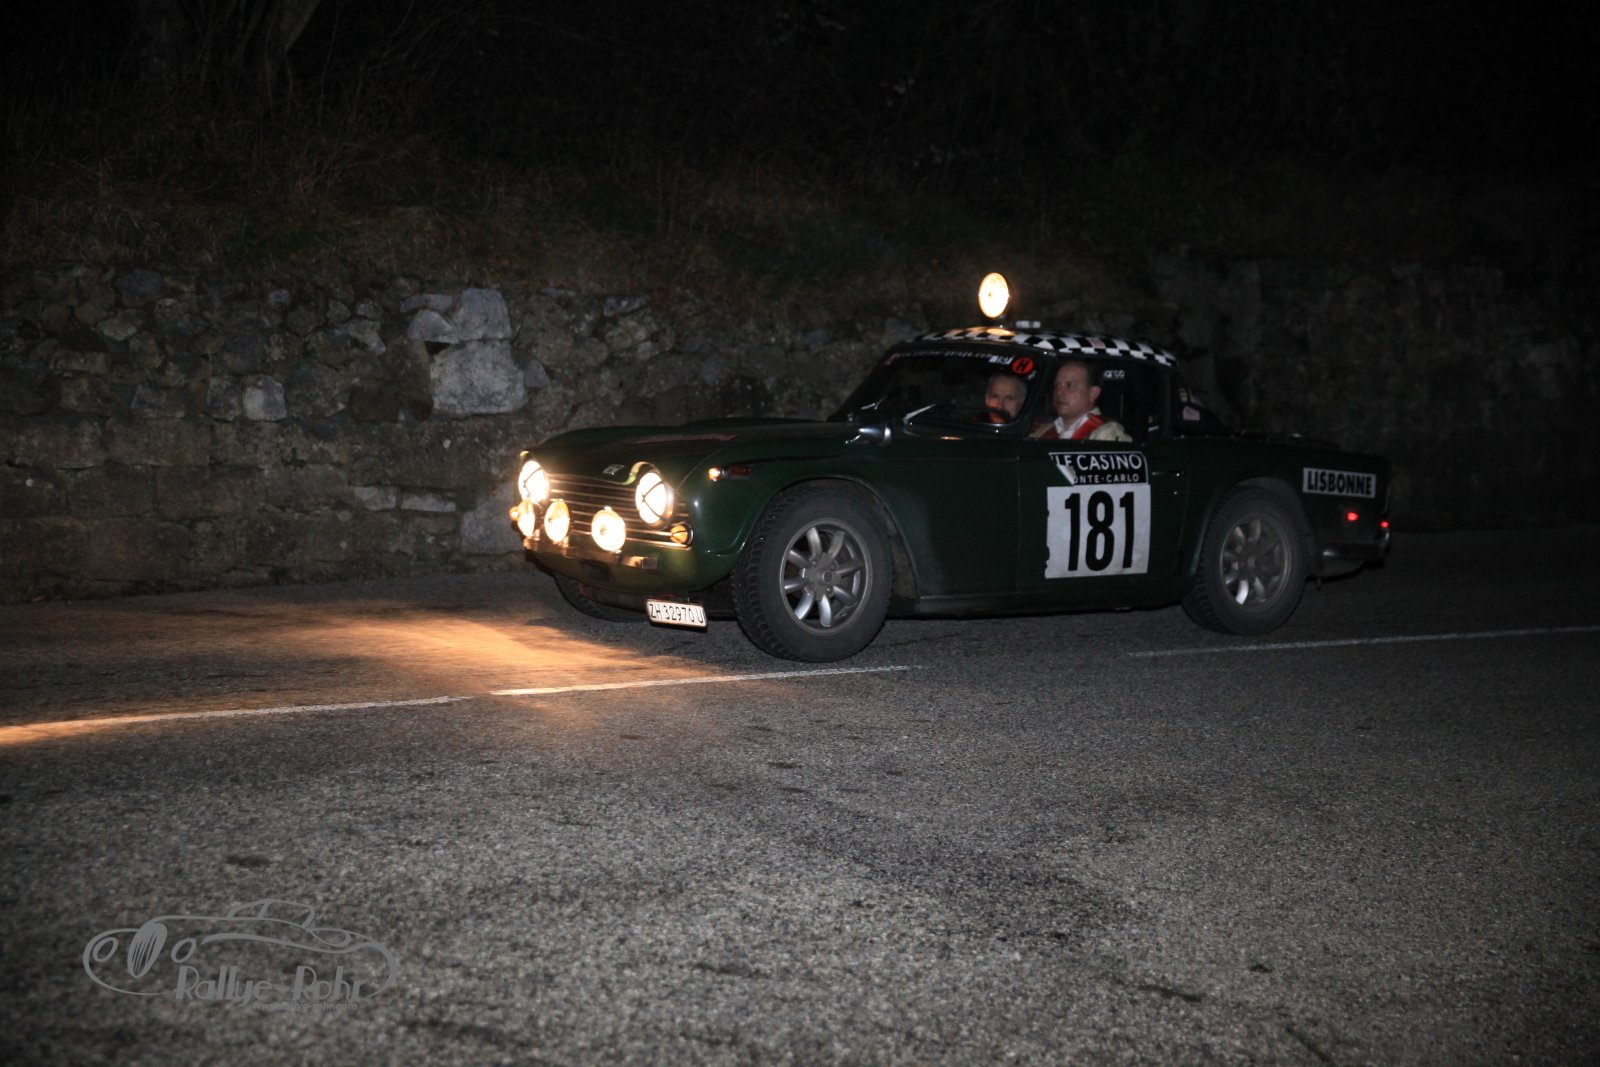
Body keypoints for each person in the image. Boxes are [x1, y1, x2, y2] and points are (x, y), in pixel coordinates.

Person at [1029, 360, 1131, 441]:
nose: (1059, 392)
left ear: (1093, 393)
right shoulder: (1042, 432)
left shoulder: (1108, 434)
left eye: (1070, 386)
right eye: (1057, 385)